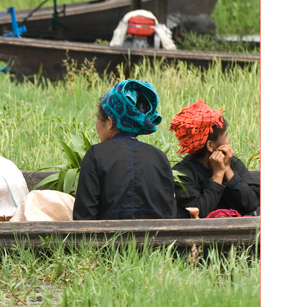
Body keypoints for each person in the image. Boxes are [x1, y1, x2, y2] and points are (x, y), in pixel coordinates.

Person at [73, 79, 176, 221]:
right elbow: (169, 213)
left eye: (98, 120)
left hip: (108, 241)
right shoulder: (159, 157)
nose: (96, 126)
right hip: (156, 241)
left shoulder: (96, 155)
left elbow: (84, 217)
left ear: (109, 122)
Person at [168, 99, 260, 218]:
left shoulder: (232, 163)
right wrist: (217, 176)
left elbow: (252, 203)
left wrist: (227, 170)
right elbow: (197, 214)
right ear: (210, 145)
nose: (228, 141)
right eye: (225, 136)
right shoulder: (183, 174)